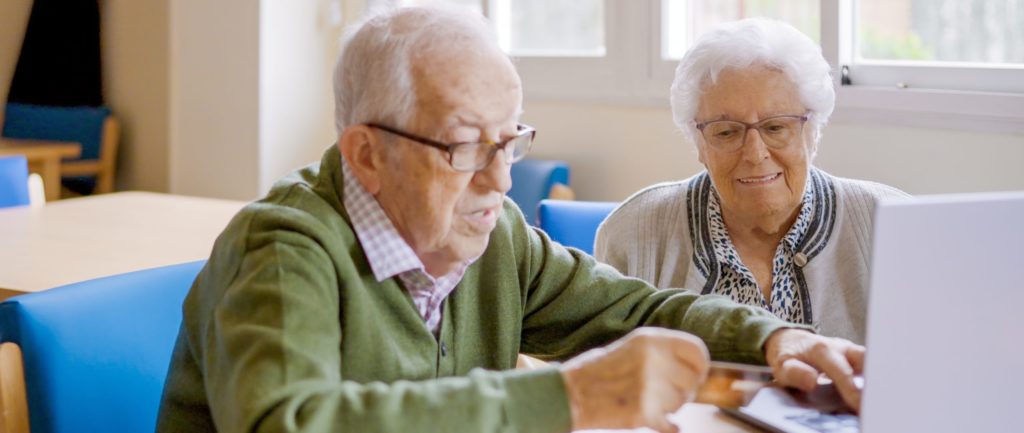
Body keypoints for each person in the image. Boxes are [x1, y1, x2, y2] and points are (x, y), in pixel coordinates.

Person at [156, 8, 866, 433]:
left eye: (509, 141)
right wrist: (570, 393)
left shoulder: (492, 237)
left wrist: (775, 337)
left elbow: (634, 309)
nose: (499, 180)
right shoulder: (284, 251)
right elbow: (292, 422)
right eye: (467, 147)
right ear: (366, 155)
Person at [595, 18, 909, 345]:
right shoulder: (632, 234)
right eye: (726, 131)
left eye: (776, 128)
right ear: (699, 144)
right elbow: (604, 379)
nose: (755, 153)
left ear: (813, 133)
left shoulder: (892, 224)